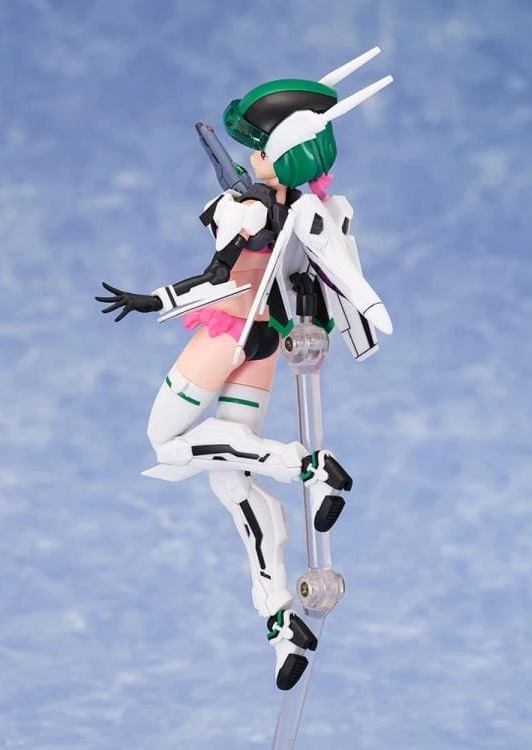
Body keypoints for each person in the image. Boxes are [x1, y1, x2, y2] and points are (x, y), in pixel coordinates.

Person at [96, 52, 392, 690]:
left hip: (227, 332)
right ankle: (282, 625)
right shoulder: (311, 211)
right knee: (232, 482)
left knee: (165, 442)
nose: (250, 155)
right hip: (265, 342)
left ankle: (305, 466)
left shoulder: (251, 209)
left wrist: (154, 300)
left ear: (279, 155)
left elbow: (216, 277)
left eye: (259, 147)